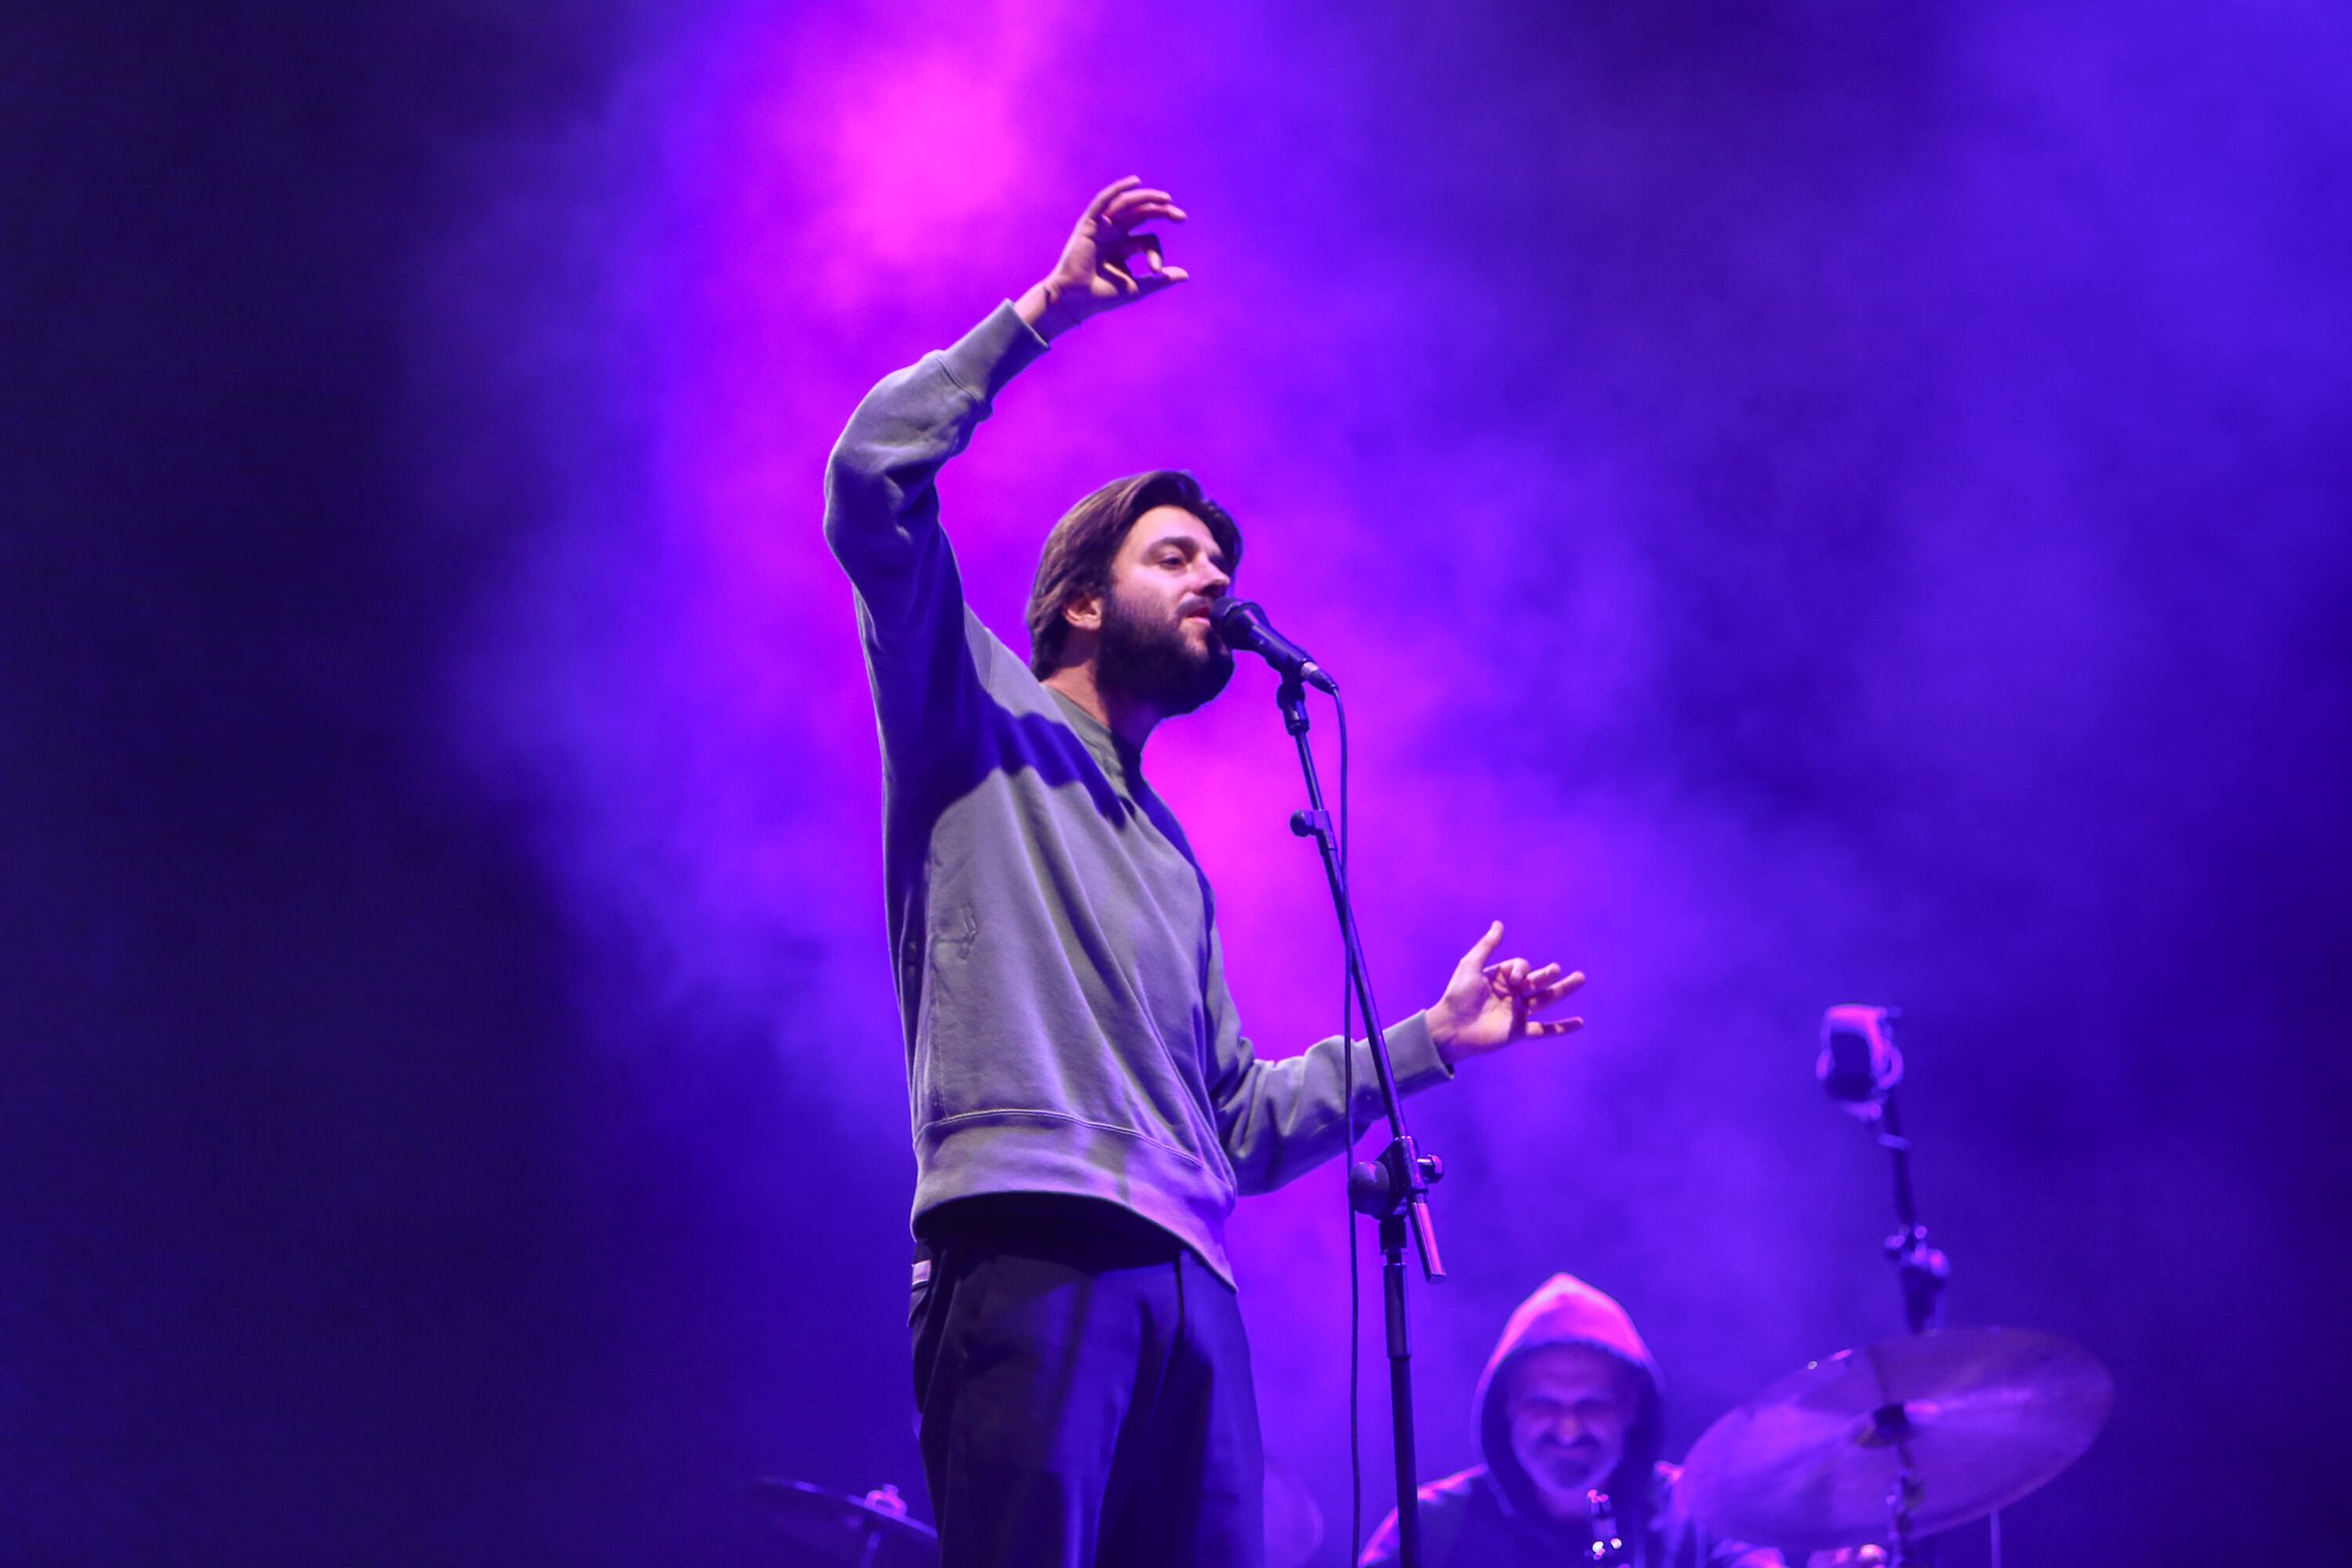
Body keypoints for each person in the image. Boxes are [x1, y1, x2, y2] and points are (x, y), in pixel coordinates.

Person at [822, 176, 1588, 1568]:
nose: (1214, 583)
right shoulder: (971, 711)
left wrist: (1434, 1039)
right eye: (1175, 555)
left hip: (1193, 1280)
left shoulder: (1176, 856)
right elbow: (870, 482)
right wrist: (1044, 314)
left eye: (1223, 564)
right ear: (1077, 597)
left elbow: (1236, 1123)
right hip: (1032, 1239)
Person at [1360, 1272, 1784, 1568]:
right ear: (1505, 1406)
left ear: (1631, 1408)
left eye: (1593, 1405)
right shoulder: (1430, 1526)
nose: (1569, 1429)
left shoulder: (1703, 1515)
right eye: (1543, 1404)